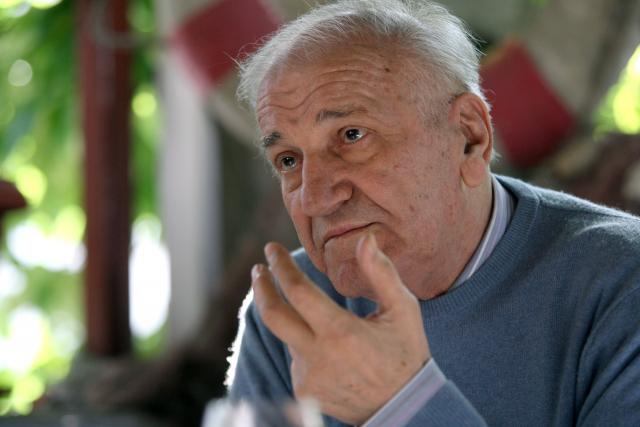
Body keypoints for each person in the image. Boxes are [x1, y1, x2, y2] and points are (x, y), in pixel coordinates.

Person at [226, 1, 640, 426]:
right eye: (288, 160)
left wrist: (403, 402)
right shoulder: (291, 311)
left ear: (469, 137)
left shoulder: (624, 284)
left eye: (352, 135)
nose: (314, 199)